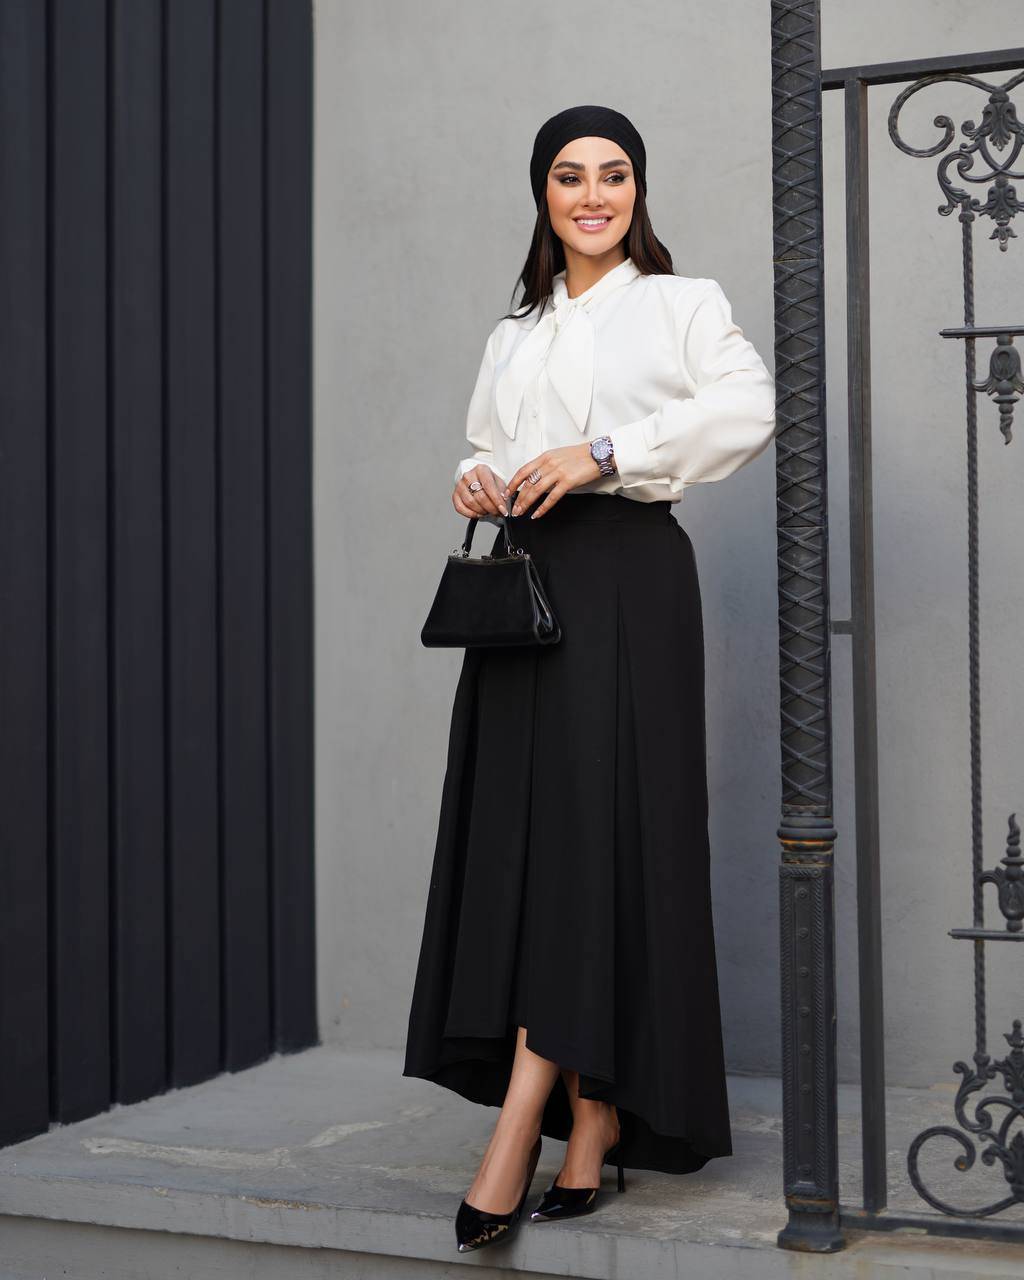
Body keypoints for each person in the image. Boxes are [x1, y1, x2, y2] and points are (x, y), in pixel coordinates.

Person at [403, 103, 776, 1254]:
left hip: (626, 580)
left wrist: (607, 450)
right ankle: (592, 1111)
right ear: (544, 194)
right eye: (569, 176)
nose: (593, 194)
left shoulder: (680, 302)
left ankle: (520, 1122)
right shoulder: (516, 327)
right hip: (525, 588)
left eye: (614, 174)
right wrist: (477, 477)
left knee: (598, 833)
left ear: (637, 190)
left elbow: (747, 408)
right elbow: (487, 441)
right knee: (529, 839)